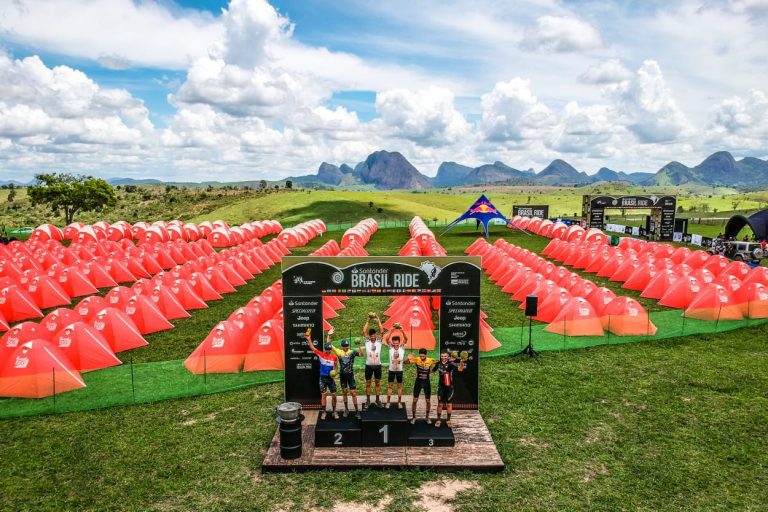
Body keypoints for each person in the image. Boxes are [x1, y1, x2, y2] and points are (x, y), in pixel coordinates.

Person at [305, 328, 339, 420]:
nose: (328, 351)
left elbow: (336, 366)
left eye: (329, 349)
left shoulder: (334, 357)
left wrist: (335, 372)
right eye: (327, 349)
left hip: (330, 379)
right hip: (322, 378)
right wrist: (309, 340)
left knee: (334, 395)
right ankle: (324, 412)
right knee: (323, 395)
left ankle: (334, 411)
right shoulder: (321, 354)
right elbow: (312, 348)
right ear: (325, 349)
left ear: (330, 349)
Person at [327, 327, 361, 419]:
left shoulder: (352, 352)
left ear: (348, 345)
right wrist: (329, 335)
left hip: (350, 375)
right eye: (344, 346)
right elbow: (329, 344)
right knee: (344, 392)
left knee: (353, 393)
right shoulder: (339, 352)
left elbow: (361, 354)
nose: (346, 347)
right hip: (342, 375)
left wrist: (358, 345)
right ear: (342, 346)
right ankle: (346, 409)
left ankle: (357, 411)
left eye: (347, 345)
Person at [432, 351, 467, 428]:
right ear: (440, 356)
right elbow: (432, 371)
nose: (443, 358)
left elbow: (460, 369)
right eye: (442, 356)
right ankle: (438, 420)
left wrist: (461, 362)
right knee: (440, 404)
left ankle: (448, 420)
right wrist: (427, 365)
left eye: (445, 356)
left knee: (449, 404)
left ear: (448, 357)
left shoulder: (451, 364)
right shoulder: (438, 364)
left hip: (449, 387)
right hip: (440, 387)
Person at [405, 348, 437, 424]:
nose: (422, 358)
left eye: (423, 356)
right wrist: (408, 358)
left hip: (426, 382)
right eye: (421, 356)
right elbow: (405, 363)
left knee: (428, 401)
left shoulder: (430, 360)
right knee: (414, 400)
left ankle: (427, 417)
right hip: (418, 382)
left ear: (426, 355)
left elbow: (439, 363)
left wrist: (432, 371)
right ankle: (413, 417)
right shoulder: (416, 359)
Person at [360, 312, 384, 409]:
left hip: (378, 365)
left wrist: (378, 321)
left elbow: (382, 332)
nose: (373, 337)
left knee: (377, 383)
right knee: (368, 383)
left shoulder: (379, 341)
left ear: (376, 335)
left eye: (374, 335)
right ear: (370, 336)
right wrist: (368, 320)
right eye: (371, 335)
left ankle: (377, 400)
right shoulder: (367, 341)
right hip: (368, 366)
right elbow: (364, 332)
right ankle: (368, 400)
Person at [383, 324, 407, 409]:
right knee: (390, 386)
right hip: (391, 370)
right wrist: (391, 330)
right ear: (392, 343)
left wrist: (402, 330)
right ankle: (388, 402)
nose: (396, 345)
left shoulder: (402, 348)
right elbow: (386, 339)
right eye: (394, 343)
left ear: (399, 343)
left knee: (399, 386)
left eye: (397, 343)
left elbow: (406, 339)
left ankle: (399, 402)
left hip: (400, 370)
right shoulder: (390, 348)